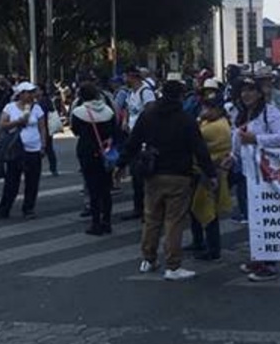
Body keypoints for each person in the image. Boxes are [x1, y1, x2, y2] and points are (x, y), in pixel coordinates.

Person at [116, 74, 218, 281]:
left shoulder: (148, 116)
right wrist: (211, 173)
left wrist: (120, 165)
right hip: (179, 175)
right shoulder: (186, 119)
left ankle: (149, 258)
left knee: (152, 218)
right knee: (174, 221)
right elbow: (199, 148)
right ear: (180, 96)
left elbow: (133, 142)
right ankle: (173, 265)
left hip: (153, 173)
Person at [228, 76, 280, 282]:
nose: (246, 94)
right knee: (254, 218)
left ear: (259, 93)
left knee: (266, 217)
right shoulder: (242, 114)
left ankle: (270, 263)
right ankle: (258, 256)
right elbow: (237, 141)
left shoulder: (270, 112)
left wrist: (257, 139)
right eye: (243, 91)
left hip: (266, 175)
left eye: (250, 90)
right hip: (248, 173)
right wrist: (232, 157)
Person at [187, 92, 232, 261]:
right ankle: (199, 241)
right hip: (204, 171)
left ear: (218, 109)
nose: (204, 109)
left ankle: (213, 248)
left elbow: (195, 137)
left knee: (208, 211)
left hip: (211, 172)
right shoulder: (210, 122)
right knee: (196, 208)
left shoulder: (216, 127)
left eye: (209, 107)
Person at [0, 82, 46, 220]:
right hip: (16, 148)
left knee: (32, 181)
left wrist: (43, 145)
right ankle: (4, 209)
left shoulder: (37, 108)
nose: (31, 95)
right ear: (21, 94)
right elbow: (3, 125)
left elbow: (42, 128)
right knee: (12, 180)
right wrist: (18, 122)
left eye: (32, 92)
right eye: (28, 92)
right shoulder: (10, 108)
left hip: (33, 148)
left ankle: (28, 208)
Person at [70, 82, 117, 234]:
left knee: (92, 188)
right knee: (106, 189)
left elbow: (75, 131)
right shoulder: (108, 111)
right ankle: (107, 222)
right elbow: (113, 130)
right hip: (106, 152)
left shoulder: (79, 112)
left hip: (87, 152)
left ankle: (96, 223)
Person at [121, 66, 157, 221]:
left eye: (126, 76)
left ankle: (148, 209)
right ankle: (138, 208)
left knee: (144, 175)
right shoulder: (131, 93)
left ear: (132, 77)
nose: (125, 79)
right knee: (135, 175)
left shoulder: (146, 92)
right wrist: (124, 121)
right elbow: (128, 109)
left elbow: (150, 111)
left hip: (144, 138)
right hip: (133, 135)